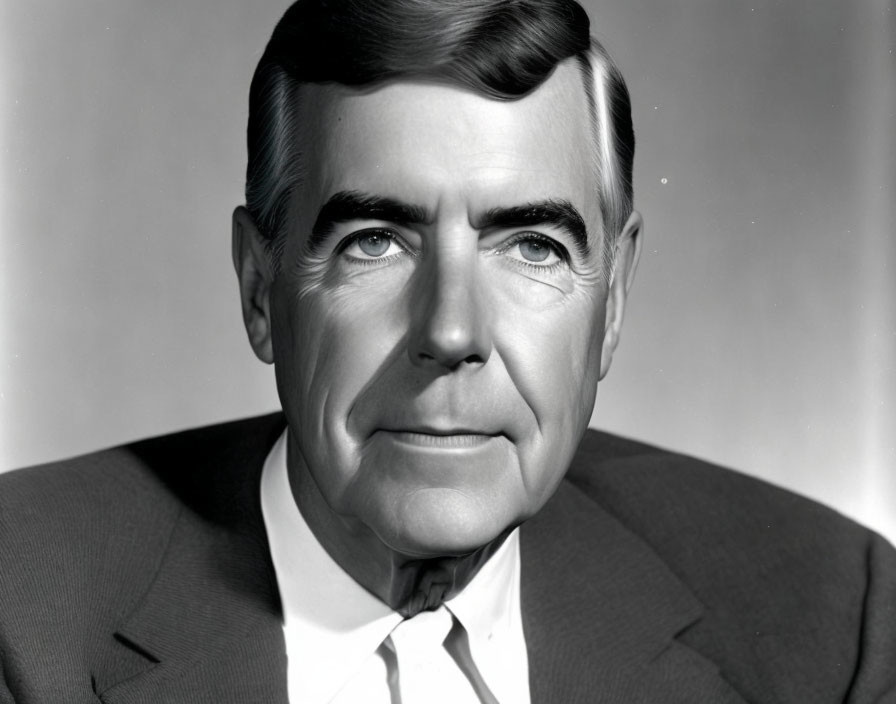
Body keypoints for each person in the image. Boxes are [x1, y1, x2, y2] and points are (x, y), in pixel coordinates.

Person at [1, 1, 894, 702]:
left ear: (613, 299)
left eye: (532, 247)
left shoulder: (831, 618)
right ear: (258, 288)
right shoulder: (20, 616)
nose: (452, 333)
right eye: (376, 240)